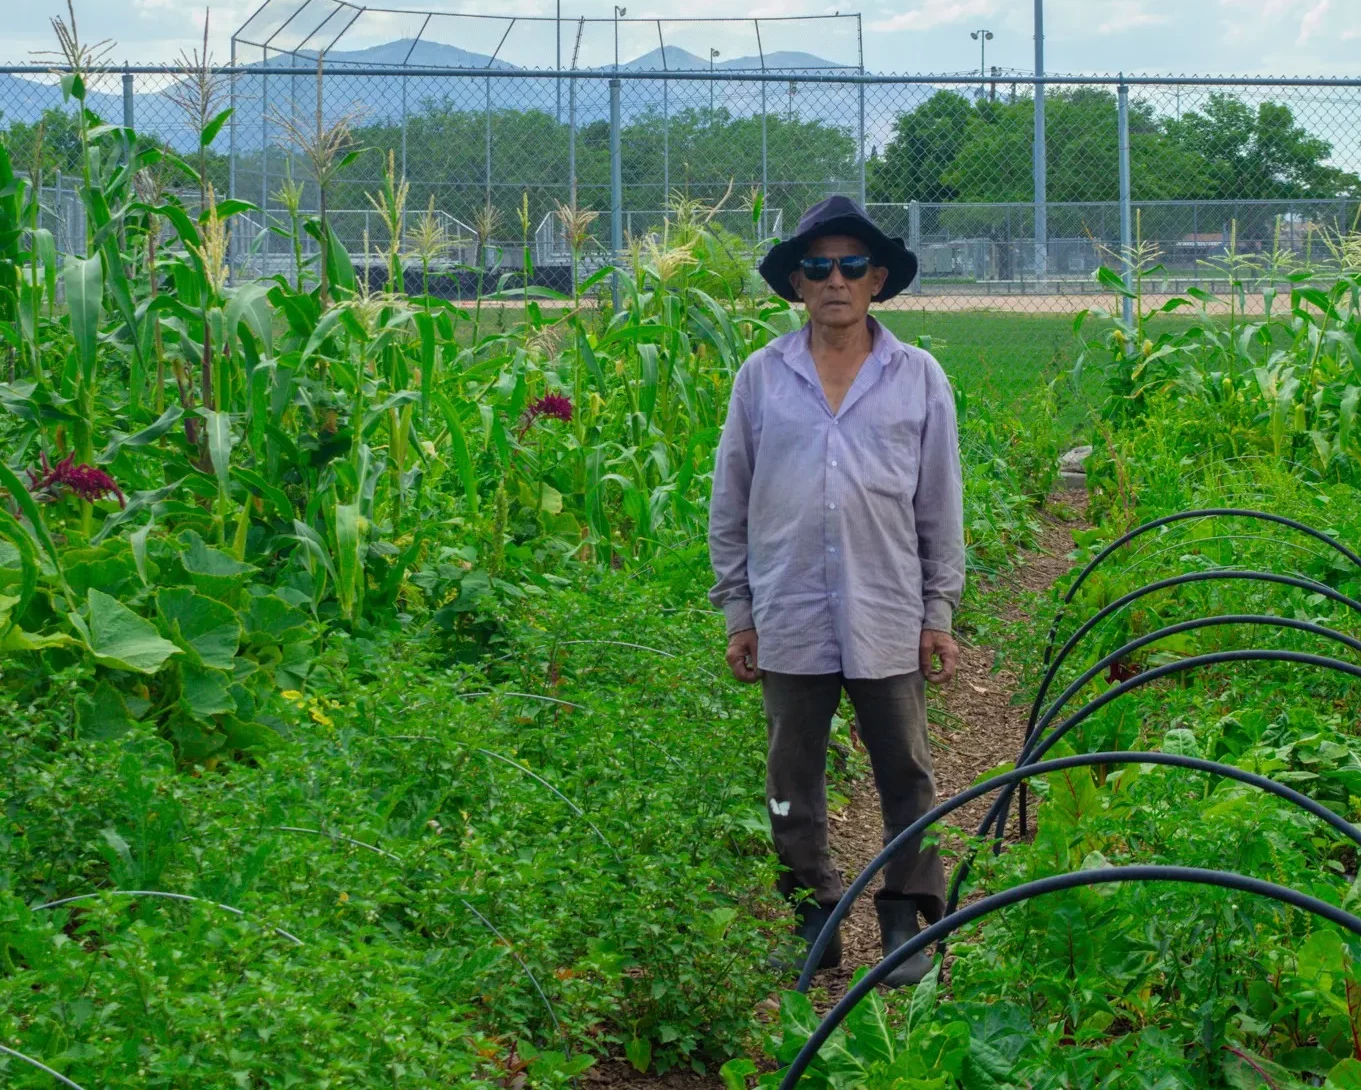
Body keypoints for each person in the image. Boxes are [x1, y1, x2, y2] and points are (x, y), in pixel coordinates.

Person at [707, 195, 965, 987]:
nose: (834, 281)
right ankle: (810, 911)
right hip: (787, 610)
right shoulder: (761, 377)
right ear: (797, 284)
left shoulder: (916, 376)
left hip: (886, 608)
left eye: (851, 265)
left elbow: (939, 504)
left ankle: (906, 914)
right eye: (816, 267)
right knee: (792, 775)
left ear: (876, 279)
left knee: (905, 770)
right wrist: (738, 610)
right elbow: (730, 499)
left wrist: (938, 611)